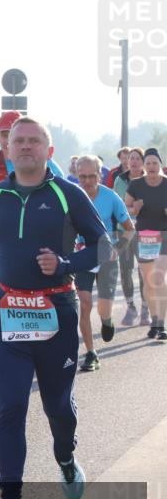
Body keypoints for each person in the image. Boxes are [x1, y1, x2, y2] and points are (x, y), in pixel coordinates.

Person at [0, 118, 106, 499]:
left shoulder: (68, 195)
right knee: (11, 405)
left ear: (49, 149)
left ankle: (65, 457)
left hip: (58, 315)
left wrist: (64, 265)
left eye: (34, 141)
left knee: (57, 408)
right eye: (19, 141)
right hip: (10, 315)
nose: (26, 147)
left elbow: (104, 245)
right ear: (7, 149)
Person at [73, 155, 134, 371]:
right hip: (83, 255)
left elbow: (129, 229)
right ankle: (91, 353)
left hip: (106, 254)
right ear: (76, 175)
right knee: (85, 303)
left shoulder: (111, 197)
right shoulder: (72, 196)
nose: (87, 181)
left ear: (101, 175)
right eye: (82, 177)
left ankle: (107, 320)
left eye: (92, 176)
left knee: (103, 308)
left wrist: (117, 249)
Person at [0, 111, 66, 222]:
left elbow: (65, 199)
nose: (9, 140)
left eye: (16, 136)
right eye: (5, 135)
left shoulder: (46, 163)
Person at [124, 148, 167, 341]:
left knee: (159, 279)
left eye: (154, 163)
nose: (151, 166)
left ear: (160, 165)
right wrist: (135, 209)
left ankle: (161, 324)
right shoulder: (136, 184)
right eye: (148, 163)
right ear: (144, 165)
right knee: (149, 282)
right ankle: (154, 318)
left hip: (164, 235)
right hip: (145, 236)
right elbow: (126, 209)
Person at [115, 147, 149, 327]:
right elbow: (117, 204)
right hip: (124, 230)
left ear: (143, 161)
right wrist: (132, 209)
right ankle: (131, 307)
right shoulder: (120, 180)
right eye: (131, 158)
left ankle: (145, 308)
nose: (134, 161)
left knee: (145, 270)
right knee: (125, 269)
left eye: (137, 158)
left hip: (146, 231)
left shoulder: (150, 179)